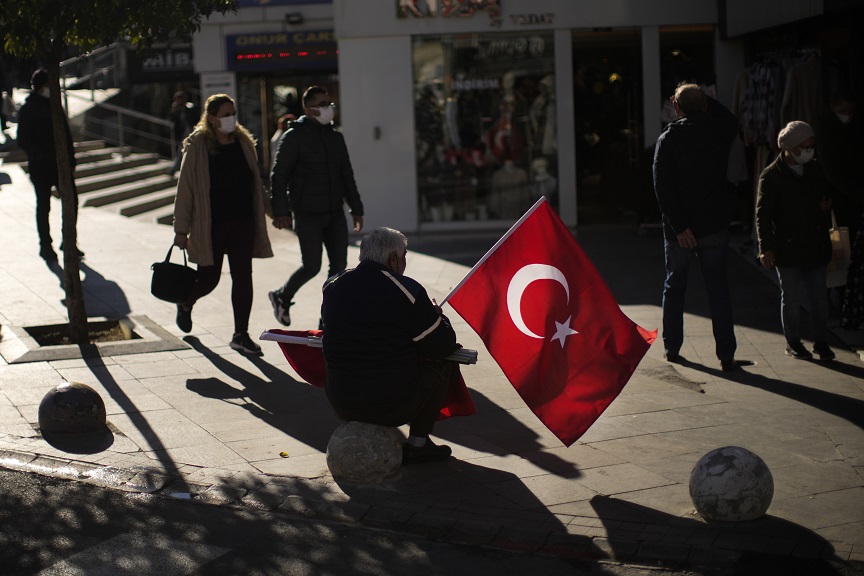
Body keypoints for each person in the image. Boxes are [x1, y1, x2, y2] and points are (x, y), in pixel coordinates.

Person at [321, 227, 459, 465]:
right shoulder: (407, 290)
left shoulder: (333, 285)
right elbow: (441, 345)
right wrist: (438, 317)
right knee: (444, 360)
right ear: (393, 258)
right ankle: (418, 444)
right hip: (390, 406)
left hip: (340, 401)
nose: (405, 262)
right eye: (404, 256)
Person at [653, 83, 744, 372]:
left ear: (676, 107)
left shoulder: (669, 138)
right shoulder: (719, 130)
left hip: (680, 231)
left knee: (675, 286)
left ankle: (672, 347)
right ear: (705, 104)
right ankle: (726, 354)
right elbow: (731, 120)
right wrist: (705, 101)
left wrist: (680, 227)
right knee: (718, 288)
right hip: (713, 225)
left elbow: (662, 187)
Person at [173, 93, 273, 354]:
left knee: (243, 277)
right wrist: (181, 230)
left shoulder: (243, 141)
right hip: (211, 224)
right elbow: (185, 190)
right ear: (212, 118)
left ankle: (241, 334)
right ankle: (186, 302)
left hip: (243, 221)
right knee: (210, 278)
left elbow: (254, 181)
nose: (231, 118)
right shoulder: (197, 146)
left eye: (233, 113)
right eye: (225, 114)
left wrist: (271, 208)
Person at [269, 86, 364, 327]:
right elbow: (279, 176)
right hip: (308, 212)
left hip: (334, 212)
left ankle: (327, 320)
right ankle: (282, 295)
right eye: (322, 104)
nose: (328, 108)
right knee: (312, 265)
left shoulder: (335, 137)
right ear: (308, 109)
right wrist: (281, 212)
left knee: (339, 268)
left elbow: (347, 174)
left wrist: (356, 208)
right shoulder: (294, 137)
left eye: (329, 103)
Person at [756, 121, 836, 360]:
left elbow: (826, 195)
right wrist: (765, 247)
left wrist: (825, 205)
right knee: (790, 298)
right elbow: (763, 214)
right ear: (790, 148)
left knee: (818, 297)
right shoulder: (771, 175)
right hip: (787, 246)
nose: (809, 151)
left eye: (811, 146)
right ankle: (793, 342)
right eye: (804, 147)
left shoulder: (815, 169)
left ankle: (820, 340)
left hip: (815, 243)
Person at [16, 68, 81, 262]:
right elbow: (23, 139)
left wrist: (71, 159)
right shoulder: (28, 108)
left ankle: (69, 241)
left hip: (61, 166)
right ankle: (45, 245)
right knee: (43, 206)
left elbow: (66, 135)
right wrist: (39, 156)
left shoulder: (55, 105)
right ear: (39, 87)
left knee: (72, 203)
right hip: (41, 167)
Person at [167, 91, 198, 177]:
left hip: (193, 134)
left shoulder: (191, 108)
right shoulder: (177, 110)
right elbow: (172, 121)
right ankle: (174, 170)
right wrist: (173, 111)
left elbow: (196, 120)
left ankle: (173, 171)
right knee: (182, 153)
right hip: (183, 135)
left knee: (183, 153)